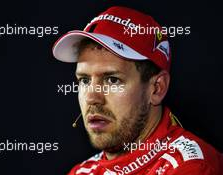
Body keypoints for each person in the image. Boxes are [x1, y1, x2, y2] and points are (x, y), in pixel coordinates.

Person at [52, 6, 222, 175]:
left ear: (157, 89)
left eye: (112, 79)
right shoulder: (81, 172)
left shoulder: (193, 168)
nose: (91, 97)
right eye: (84, 80)